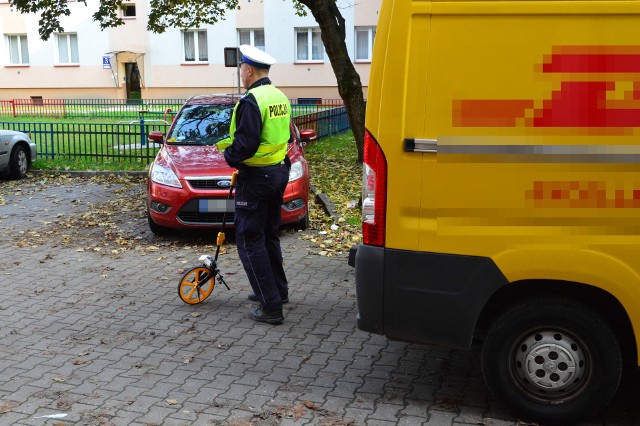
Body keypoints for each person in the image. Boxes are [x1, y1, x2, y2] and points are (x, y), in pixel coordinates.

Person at [222, 44, 291, 325]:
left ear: (248, 70)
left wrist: (228, 154)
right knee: (268, 233)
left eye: (241, 68)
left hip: (257, 177)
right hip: (277, 172)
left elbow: (246, 145)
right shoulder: (279, 96)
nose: (241, 73)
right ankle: (278, 291)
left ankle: (270, 306)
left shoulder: (251, 100)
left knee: (250, 239)